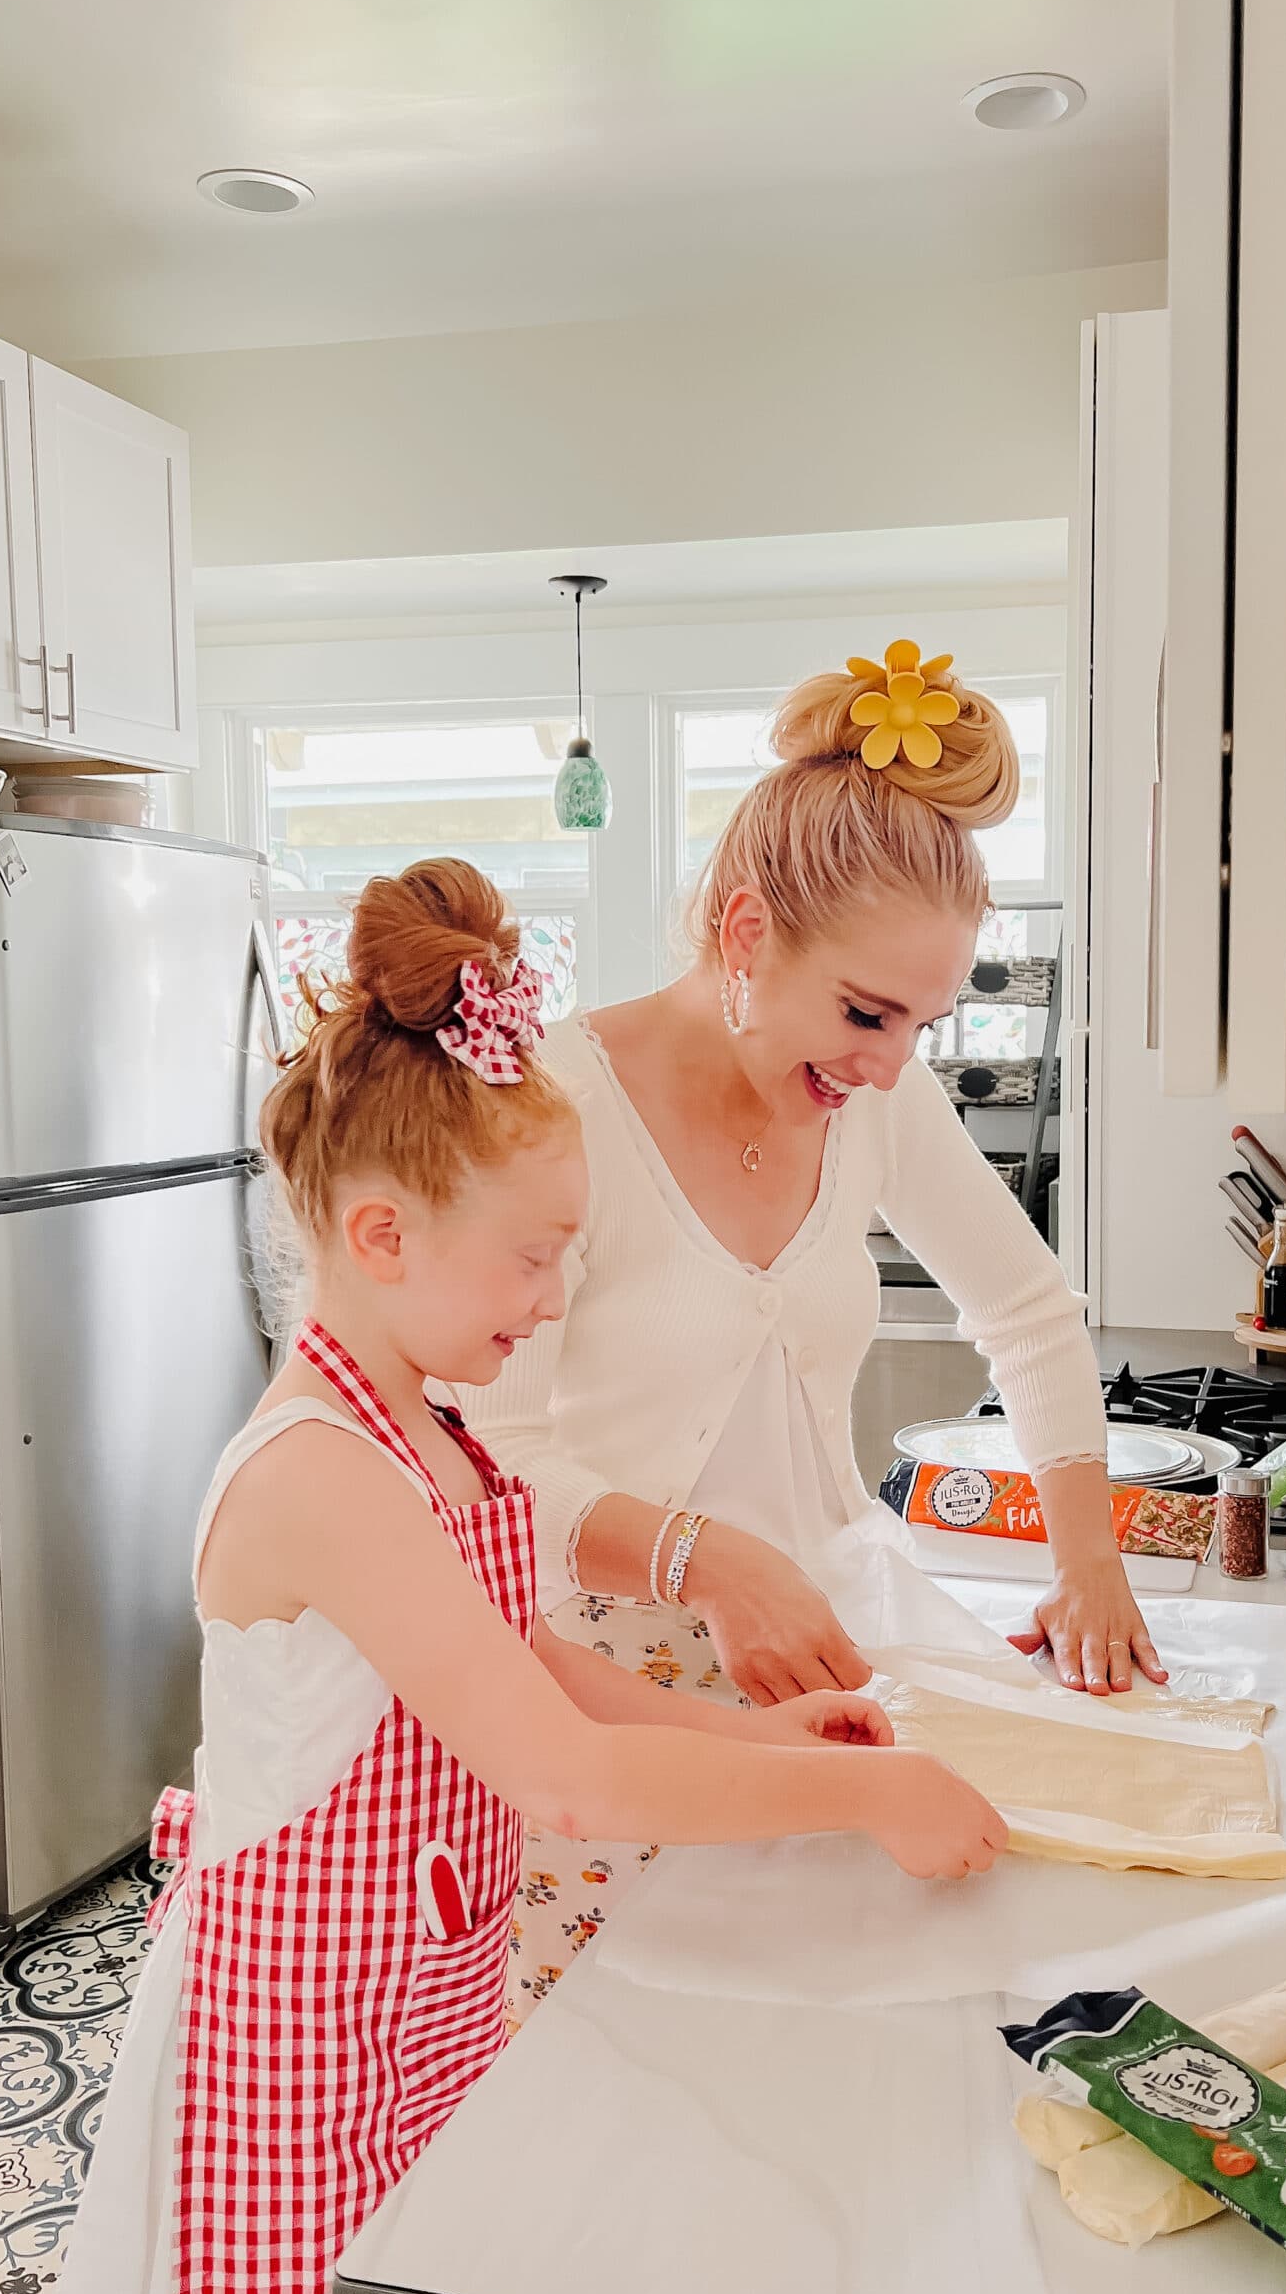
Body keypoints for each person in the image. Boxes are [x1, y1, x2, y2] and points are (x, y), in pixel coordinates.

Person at [28, 858, 1004, 2294]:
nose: (554, 1303)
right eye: (534, 1256)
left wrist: (776, 1741)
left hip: (412, 1996)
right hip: (293, 2048)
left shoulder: (435, 1429)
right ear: (383, 1234)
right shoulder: (321, 1476)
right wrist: (869, 1803)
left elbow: (545, 1667)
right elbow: (563, 1779)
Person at [457, 638, 1165, 2023]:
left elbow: (1023, 1307)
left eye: (925, 1023)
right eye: (865, 1013)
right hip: (599, 1693)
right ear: (743, 938)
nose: (893, 1064)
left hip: (824, 1666)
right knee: (610, 2067)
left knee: (819, 2062)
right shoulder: (554, 1109)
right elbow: (480, 1455)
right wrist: (703, 1557)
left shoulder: (879, 1100)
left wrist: (1089, 1563)